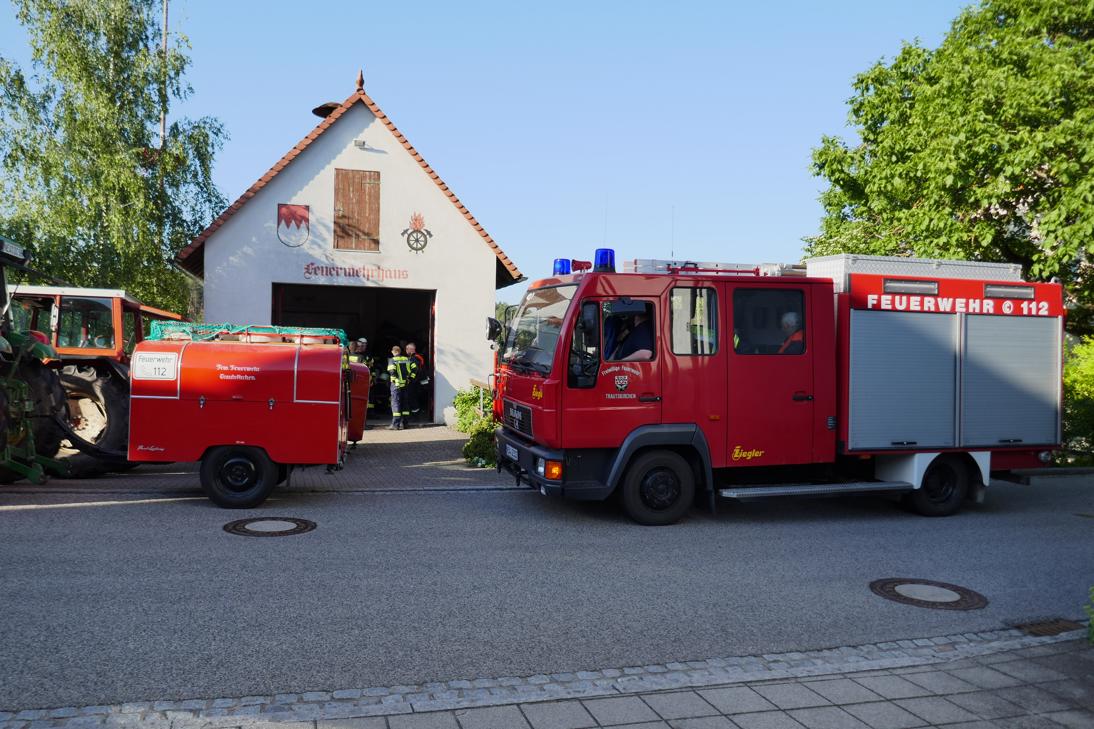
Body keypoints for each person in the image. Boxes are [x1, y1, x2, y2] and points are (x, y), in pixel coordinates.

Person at [386, 345, 416, 430]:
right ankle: (405, 424)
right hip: (406, 385)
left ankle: (395, 425)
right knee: (405, 404)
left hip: (396, 385)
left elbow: (392, 371)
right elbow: (415, 368)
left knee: (396, 403)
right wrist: (410, 378)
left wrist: (396, 380)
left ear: (394, 351)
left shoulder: (392, 360)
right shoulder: (407, 359)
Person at [404, 342, 426, 423]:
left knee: (412, 399)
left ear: (411, 349)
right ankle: (415, 415)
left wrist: (410, 379)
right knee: (414, 398)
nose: (406, 350)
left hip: (415, 382)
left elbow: (415, 370)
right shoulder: (418, 357)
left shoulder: (414, 358)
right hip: (418, 382)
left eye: (407, 349)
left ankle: (415, 417)